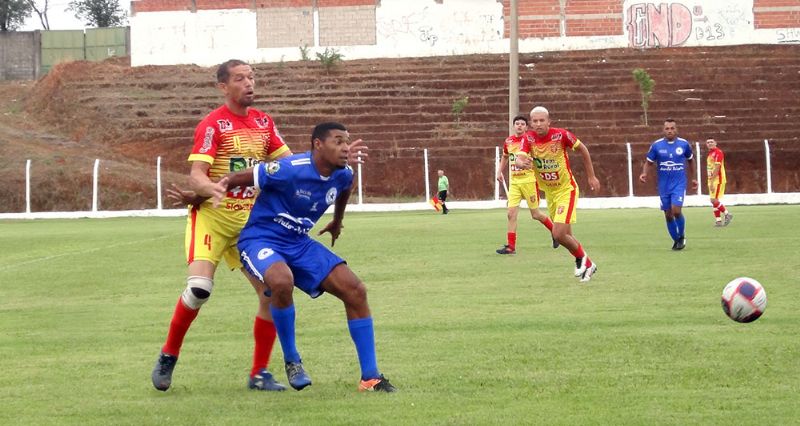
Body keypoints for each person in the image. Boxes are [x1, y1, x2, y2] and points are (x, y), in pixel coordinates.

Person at [151, 59, 369, 393]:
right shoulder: (213, 125)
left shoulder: (263, 123)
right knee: (199, 290)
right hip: (213, 218)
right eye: (240, 78)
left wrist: (335, 153)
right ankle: (169, 354)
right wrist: (208, 190)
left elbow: (290, 164)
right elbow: (197, 174)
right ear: (223, 86)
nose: (249, 83)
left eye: (252, 77)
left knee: (272, 292)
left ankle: (259, 373)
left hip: (252, 225)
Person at [217, 122, 396, 393]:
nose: (345, 147)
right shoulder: (289, 168)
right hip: (260, 238)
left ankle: (370, 378)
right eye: (338, 141)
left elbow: (346, 187)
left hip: (298, 243)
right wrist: (200, 195)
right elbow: (236, 178)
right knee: (281, 280)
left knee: (355, 290)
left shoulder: (343, 174)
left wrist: (337, 220)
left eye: (347, 141)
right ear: (317, 145)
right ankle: (292, 360)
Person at [517, 106, 601, 282]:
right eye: (535, 121)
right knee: (565, 236)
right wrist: (520, 163)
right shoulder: (528, 138)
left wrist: (591, 176)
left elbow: (583, 149)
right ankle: (589, 263)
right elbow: (520, 156)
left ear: (549, 121)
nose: (538, 124)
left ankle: (581, 259)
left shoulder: (561, 135)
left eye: (542, 120)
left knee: (558, 234)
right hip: (550, 193)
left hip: (566, 190)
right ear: (531, 123)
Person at [495, 114, 557, 255]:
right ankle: (511, 246)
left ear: (526, 126)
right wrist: (499, 171)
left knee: (535, 214)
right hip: (515, 183)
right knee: (511, 214)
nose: (519, 126)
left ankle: (555, 232)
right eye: (517, 123)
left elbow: (541, 156)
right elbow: (505, 156)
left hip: (529, 181)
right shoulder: (509, 141)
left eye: (522, 124)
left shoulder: (530, 140)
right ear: (513, 126)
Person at [639, 118, 698, 250]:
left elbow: (690, 160)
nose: (670, 131)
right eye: (667, 128)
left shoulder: (684, 144)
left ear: (676, 129)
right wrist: (644, 173)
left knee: (676, 210)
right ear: (663, 130)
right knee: (668, 214)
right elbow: (649, 162)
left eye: (672, 128)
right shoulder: (657, 145)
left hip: (679, 183)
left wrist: (694, 178)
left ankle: (681, 236)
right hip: (663, 185)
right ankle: (676, 240)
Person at [706, 138, 733, 227]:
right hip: (711, 179)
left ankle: (727, 214)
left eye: (711, 142)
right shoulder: (710, 154)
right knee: (714, 201)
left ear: (716, 143)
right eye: (708, 142)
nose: (710, 143)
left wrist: (713, 181)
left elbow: (717, 167)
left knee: (713, 200)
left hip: (718, 180)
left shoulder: (718, 152)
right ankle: (718, 220)